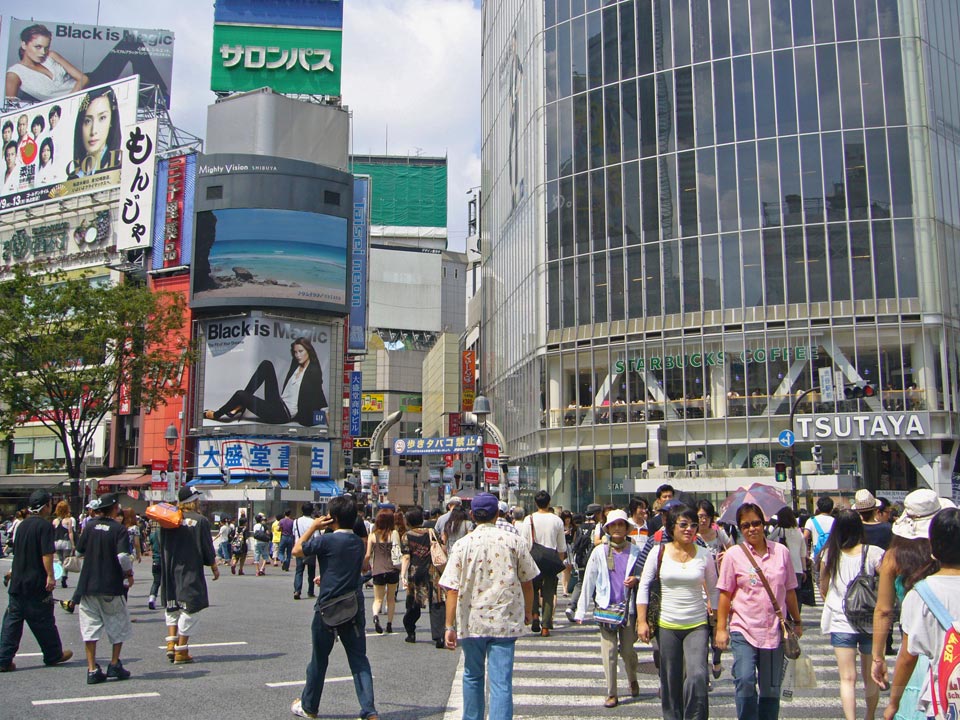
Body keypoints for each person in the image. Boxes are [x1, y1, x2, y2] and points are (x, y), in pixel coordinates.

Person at [439, 492, 538, 720]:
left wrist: (449, 626)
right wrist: (529, 612)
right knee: (501, 682)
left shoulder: (463, 545)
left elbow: (451, 588)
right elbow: (528, 581)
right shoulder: (514, 542)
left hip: (471, 620)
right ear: (497, 515)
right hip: (505, 618)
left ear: (473, 515)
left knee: (472, 675)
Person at [289, 495, 378, 720]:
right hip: (353, 605)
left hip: (327, 606)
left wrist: (314, 527)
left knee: (319, 659)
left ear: (334, 518)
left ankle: (309, 707)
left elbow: (297, 551)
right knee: (359, 660)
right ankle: (369, 710)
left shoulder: (327, 541)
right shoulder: (358, 543)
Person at [871, 489, 955, 717]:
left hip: (917, 650)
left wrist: (878, 656)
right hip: (950, 649)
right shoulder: (948, 552)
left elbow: (883, 610)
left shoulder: (895, 555)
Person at [716, 502, 802, 720]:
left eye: (755, 523)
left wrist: (797, 622)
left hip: (774, 632)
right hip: (743, 629)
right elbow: (725, 594)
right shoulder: (734, 555)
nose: (751, 529)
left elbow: (790, 590)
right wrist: (721, 629)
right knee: (744, 680)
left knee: (771, 689)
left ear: (764, 524)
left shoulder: (781, 552)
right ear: (740, 529)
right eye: (745, 525)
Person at [639, 504, 718, 719]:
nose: (689, 529)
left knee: (697, 675)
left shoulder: (704, 554)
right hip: (667, 624)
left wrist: (719, 621)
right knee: (670, 679)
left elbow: (713, 589)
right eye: (683, 525)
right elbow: (644, 585)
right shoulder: (659, 552)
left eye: (693, 525)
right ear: (672, 527)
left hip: (697, 624)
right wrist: (642, 621)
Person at [819, 509, 883, 720]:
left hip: (840, 620)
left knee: (847, 678)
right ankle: (870, 716)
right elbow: (886, 583)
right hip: (868, 620)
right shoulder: (873, 552)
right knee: (869, 677)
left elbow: (823, 585)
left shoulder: (830, 553)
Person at [0, 490, 73, 672]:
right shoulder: (44, 526)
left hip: (18, 580)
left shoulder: (22, 525)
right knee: (44, 620)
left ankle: (3, 659)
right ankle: (53, 654)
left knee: (13, 621)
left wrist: (11, 572)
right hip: (35, 581)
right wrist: (50, 575)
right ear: (46, 506)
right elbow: (46, 553)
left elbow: (18, 553)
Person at [575, 509, 641, 708]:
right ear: (609, 528)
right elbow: (589, 580)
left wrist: (636, 579)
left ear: (626, 528)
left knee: (628, 650)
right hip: (605, 608)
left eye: (621, 524)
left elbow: (645, 577)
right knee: (609, 651)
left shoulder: (635, 551)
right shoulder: (599, 552)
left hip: (627, 609)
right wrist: (581, 610)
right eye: (614, 525)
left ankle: (632, 677)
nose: (618, 528)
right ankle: (611, 692)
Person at [74, 493, 134, 684]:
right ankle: (114, 663)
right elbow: (123, 556)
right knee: (117, 623)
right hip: (111, 584)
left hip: (88, 584)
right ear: (114, 508)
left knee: (90, 626)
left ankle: (92, 669)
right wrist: (129, 573)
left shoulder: (90, 526)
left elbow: (79, 551)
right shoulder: (119, 529)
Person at [203, 337, 328, 427]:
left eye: (301, 351)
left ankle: (217, 415)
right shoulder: (296, 364)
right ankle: (241, 405)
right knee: (266, 364)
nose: (297, 355)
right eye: (295, 352)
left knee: (240, 394)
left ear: (309, 351)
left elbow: (318, 391)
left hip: (281, 415)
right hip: (278, 402)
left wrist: (326, 412)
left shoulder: (313, 372)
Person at [160, 487, 219, 664]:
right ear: (193, 501)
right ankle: (182, 650)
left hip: (170, 567)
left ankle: (171, 643)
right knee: (190, 607)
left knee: (172, 605)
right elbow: (207, 547)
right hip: (190, 568)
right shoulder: (200, 521)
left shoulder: (169, 519)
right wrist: (213, 566)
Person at [519, 490, 566, 637]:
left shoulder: (529, 519)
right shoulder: (557, 520)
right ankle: (545, 625)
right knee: (548, 592)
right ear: (549, 502)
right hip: (551, 559)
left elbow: (524, 543)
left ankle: (534, 615)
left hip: (533, 559)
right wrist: (560, 561)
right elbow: (562, 547)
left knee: (532, 589)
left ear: (535, 503)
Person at [4, 24, 87, 103]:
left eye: (46, 47)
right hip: (76, 103)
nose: (43, 52)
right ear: (24, 45)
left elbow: (84, 78)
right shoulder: (14, 74)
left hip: (87, 88)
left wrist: (70, 101)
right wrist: (69, 104)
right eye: (38, 47)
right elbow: (10, 107)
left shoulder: (51, 55)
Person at [400, 507, 445, 647]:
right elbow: (441, 548)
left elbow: (406, 557)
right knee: (436, 603)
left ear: (408, 521)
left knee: (413, 603)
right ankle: (439, 637)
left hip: (415, 572)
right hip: (432, 571)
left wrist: (402, 574)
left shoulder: (406, 536)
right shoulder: (431, 532)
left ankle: (411, 632)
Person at [68, 85, 122, 179]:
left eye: (102, 118)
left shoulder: (120, 171)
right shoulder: (73, 177)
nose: (93, 131)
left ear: (111, 122)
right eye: (87, 121)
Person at [365, 507, 400, 634]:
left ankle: (375, 616)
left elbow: (368, 555)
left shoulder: (372, 536)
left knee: (377, 599)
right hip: (392, 569)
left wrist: (365, 565)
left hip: (378, 570)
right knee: (390, 599)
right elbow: (397, 551)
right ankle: (389, 624)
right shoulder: (394, 534)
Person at [766, 507, 808, 612]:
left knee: (783, 593)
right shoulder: (799, 533)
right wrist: (804, 569)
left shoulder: (779, 530)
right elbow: (802, 553)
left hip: (782, 566)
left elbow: (767, 541)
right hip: (797, 567)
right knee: (796, 593)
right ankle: (797, 616)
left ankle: (787, 617)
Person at [804, 494, 835, 578]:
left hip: (816, 556)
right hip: (832, 555)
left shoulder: (811, 520)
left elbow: (805, 537)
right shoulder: (835, 521)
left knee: (818, 581)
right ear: (831, 508)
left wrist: (806, 554)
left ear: (818, 508)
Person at [293, 504, 317, 599]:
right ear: (311, 511)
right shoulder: (313, 522)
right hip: (310, 548)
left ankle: (297, 590)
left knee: (299, 570)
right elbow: (316, 536)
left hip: (299, 547)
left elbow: (294, 534)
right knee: (311, 571)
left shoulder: (296, 521)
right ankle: (310, 591)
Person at [51, 500, 76, 589]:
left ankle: (57, 573)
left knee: (60, 560)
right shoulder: (68, 520)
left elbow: (52, 533)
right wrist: (73, 544)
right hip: (66, 542)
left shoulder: (55, 521)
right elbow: (70, 532)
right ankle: (64, 577)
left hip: (56, 542)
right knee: (66, 560)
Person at [147, 520, 162, 610]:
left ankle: (152, 599)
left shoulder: (153, 535)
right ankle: (168, 600)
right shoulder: (168, 534)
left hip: (156, 559)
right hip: (165, 561)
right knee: (168, 582)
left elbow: (149, 543)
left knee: (156, 582)